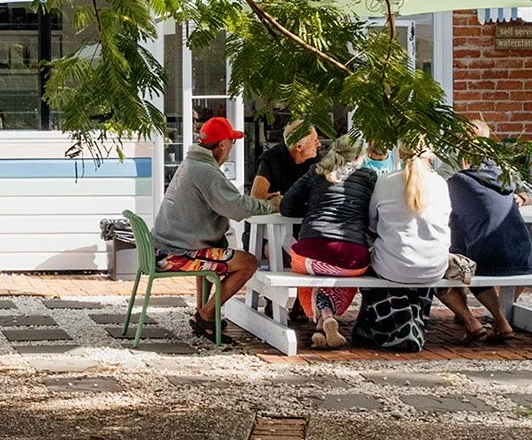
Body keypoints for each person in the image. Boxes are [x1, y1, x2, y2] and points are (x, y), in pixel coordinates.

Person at [152, 115, 279, 342]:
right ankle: (207, 314)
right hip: (176, 254)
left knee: (212, 248)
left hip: (165, 247)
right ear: (222, 145)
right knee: (248, 263)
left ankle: (203, 314)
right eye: (232, 142)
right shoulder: (206, 172)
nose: (232, 147)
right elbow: (235, 207)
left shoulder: (191, 163)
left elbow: (226, 203)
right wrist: (270, 205)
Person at [280, 134, 376, 349]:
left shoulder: (316, 172)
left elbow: (286, 206)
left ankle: (323, 318)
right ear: (360, 156)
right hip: (352, 258)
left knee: (312, 273)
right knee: (335, 274)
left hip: (311, 251)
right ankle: (325, 320)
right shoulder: (369, 176)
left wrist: (313, 206)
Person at [354, 142, 451, 352]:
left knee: (373, 267)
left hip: (393, 267)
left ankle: (396, 322)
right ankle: (413, 319)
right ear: (430, 153)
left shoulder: (385, 181)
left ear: (398, 152)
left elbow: (372, 223)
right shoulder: (440, 183)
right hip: (434, 266)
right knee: (405, 262)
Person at [441, 118, 532, 341]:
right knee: (475, 255)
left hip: (488, 257)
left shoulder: (459, 181)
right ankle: (501, 319)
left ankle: (489, 320)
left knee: (457, 266)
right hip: (523, 255)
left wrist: (524, 195)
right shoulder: (502, 173)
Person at [250, 119, 320, 203]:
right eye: (314, 141)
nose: (319, 144)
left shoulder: (315, 159)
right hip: (276, 214)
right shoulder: (271, 159)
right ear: (299, 147)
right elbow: (256, 197)